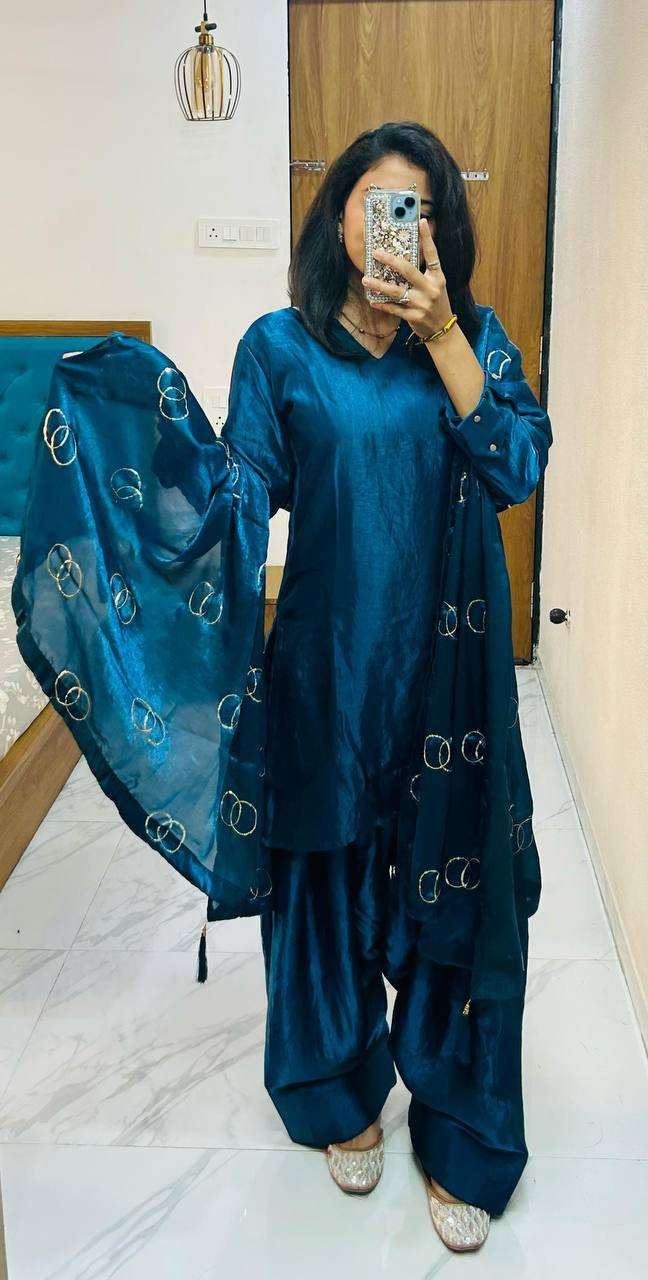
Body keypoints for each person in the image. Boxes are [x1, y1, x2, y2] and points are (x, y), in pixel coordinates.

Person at [13, 121, 552, 1255]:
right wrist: (151, 441)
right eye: (377, 203)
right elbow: (244, 490)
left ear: (442, 229)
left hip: (448, 682)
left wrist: (443, 330)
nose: (396, 226)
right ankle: (336, 1087)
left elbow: (515, 463)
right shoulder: (280, 347)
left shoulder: (474, 339)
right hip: (326, 667)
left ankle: (462, 1125)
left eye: (419, 209)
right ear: (338, 216)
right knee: (323, 881)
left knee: (460, 893)